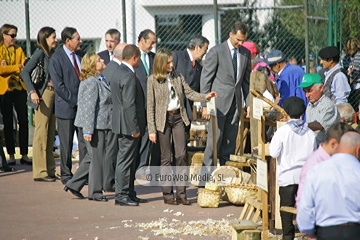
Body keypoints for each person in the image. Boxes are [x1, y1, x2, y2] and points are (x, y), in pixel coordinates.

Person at [147, 48, 216, 205]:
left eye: (172, 62)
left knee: (181, 155)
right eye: (168, 63)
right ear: (161, 63)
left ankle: (182, 193)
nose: (172, 65)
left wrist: (205, 96)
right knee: (166, 158)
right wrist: (152, 130)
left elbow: (190, 93)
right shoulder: (152, 80)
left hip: (179, 118)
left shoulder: (177, 75)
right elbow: (150, 106)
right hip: (162, 120)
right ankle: (168, 194)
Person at [64, 53, 116, 201]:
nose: (103, 60)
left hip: (102, 125)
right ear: (93, 65)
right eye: (99, 60)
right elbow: (88, 108)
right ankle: (95, 192)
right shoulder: (91, 82)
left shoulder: (100, 79)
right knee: (97, 159)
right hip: (95, 126)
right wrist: (88, 130)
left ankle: (73, 184)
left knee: (91, 157)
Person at [200, 21, 251, 167]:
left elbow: (246, 82)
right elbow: (205, 79)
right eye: (238, 40)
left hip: (236, 104)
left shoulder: (245, 53)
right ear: (231, 35)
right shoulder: (216, 51)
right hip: (218, 104)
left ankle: (224, 176)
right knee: (214, 142)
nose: (240, 43)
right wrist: (205, 105)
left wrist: (249, 104)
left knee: (230, 141)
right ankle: (206, 180)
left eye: (243, 40)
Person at [297, 131, 360, 240]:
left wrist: (309, 233)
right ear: (358, 149)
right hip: (355, 231)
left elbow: (305, 206)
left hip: (325, 232)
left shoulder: (317, 170)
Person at [269, 96, 316, 240]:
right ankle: (307, 234)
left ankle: (288, 236)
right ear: (302, 112)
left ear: (286, 112)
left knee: (286, 209)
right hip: (305, 177)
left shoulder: (282, 132)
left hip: (287, 176)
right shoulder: (310, 133)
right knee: (305, 207)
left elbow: (273, 152)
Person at [20, 27, 59, 181]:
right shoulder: (40, 52)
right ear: (45, 38)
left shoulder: (51, 54)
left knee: (50, 134)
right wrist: (32, 91)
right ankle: (40, 173)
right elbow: (24, 72)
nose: (55, 40)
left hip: (53, 94)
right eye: (53, 37)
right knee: (41, 134)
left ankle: (49, 170)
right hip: (43, 95)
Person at [49, 27, 87, 184]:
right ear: (68, 41)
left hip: (83, 107)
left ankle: (84, 174)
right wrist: (74, 100)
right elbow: (59, 86)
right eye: (77, 38)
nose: (81, 41)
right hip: (66, 107)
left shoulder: (81, 54)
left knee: (84, 142)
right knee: (66, 143)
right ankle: (66, 174)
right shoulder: (56, 58)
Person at [109, 44, 146, 206]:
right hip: (128, 126)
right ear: (134, 58)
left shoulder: (119, 72)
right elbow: (129, 104)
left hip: (121, 123)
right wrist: (134, 128)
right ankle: (122, 195)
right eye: (139, 59)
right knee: (125, 161)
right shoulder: (128, 76)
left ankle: (129, 192)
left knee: (129, 160)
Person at [296, 122, 355, 206]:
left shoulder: (338, 160)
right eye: (345, 147)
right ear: (333, 144)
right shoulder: (314, 164)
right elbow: (304, 202)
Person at [0, 24, 31, 165]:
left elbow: (23, 67)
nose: (14, 38)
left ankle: (24, 154)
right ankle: (11, 155)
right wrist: (14, 67)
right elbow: (0, 70)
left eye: (15, 35)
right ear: (4, 35)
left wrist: (7, 68)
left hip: (19, 89)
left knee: (23, 121)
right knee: (8, 123)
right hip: (5, 91)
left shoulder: (19, 50)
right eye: (12, 35)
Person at [101, 43, 127, 192]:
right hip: (113, 115)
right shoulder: (113, 68)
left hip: (114, 114)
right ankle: (108, 182)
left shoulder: (113, 67)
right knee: (111, 149)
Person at [134, 29, 161, 172]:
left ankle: (142, 167)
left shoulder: (154, 58)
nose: (152, 46)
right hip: (135, 104)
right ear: (143, 40)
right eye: (151, 43)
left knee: (147, 137)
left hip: (151, 106)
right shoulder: (132, 55)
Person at [172, 35, 209, 122]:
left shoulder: (199, 68)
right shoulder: (176, 56)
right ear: (197, 47)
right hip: (172, 111)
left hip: (187, 113)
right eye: (205, 48)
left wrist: (204, 105)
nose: (206, 52)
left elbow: (201, 88)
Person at [297, 73, 340, 146]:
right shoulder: (311, 103)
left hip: (326, 151)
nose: (307, 95)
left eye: (309, 90)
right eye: (305, 91)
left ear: (321, 88)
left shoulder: (328, 106)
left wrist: (298, 125)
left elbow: (318, 125)